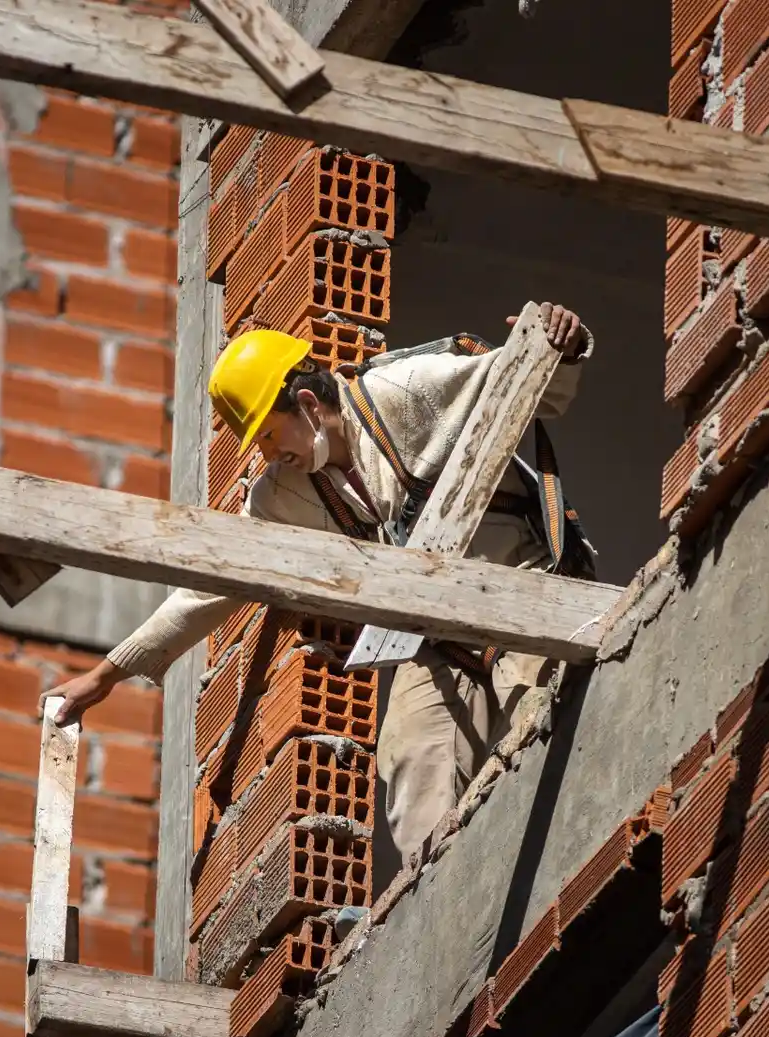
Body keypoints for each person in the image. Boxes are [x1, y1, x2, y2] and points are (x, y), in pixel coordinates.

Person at [42, 303, 596, 860]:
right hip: (443, 645)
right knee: (412, 764)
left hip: (524, 595)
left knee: (534, 731)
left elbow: (535, 387)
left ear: (307, 403)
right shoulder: (283, 494)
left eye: (267, 434)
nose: (267, 454)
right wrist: (106, 675)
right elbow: (212, 585)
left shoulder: (406, 392)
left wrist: (563, 343)